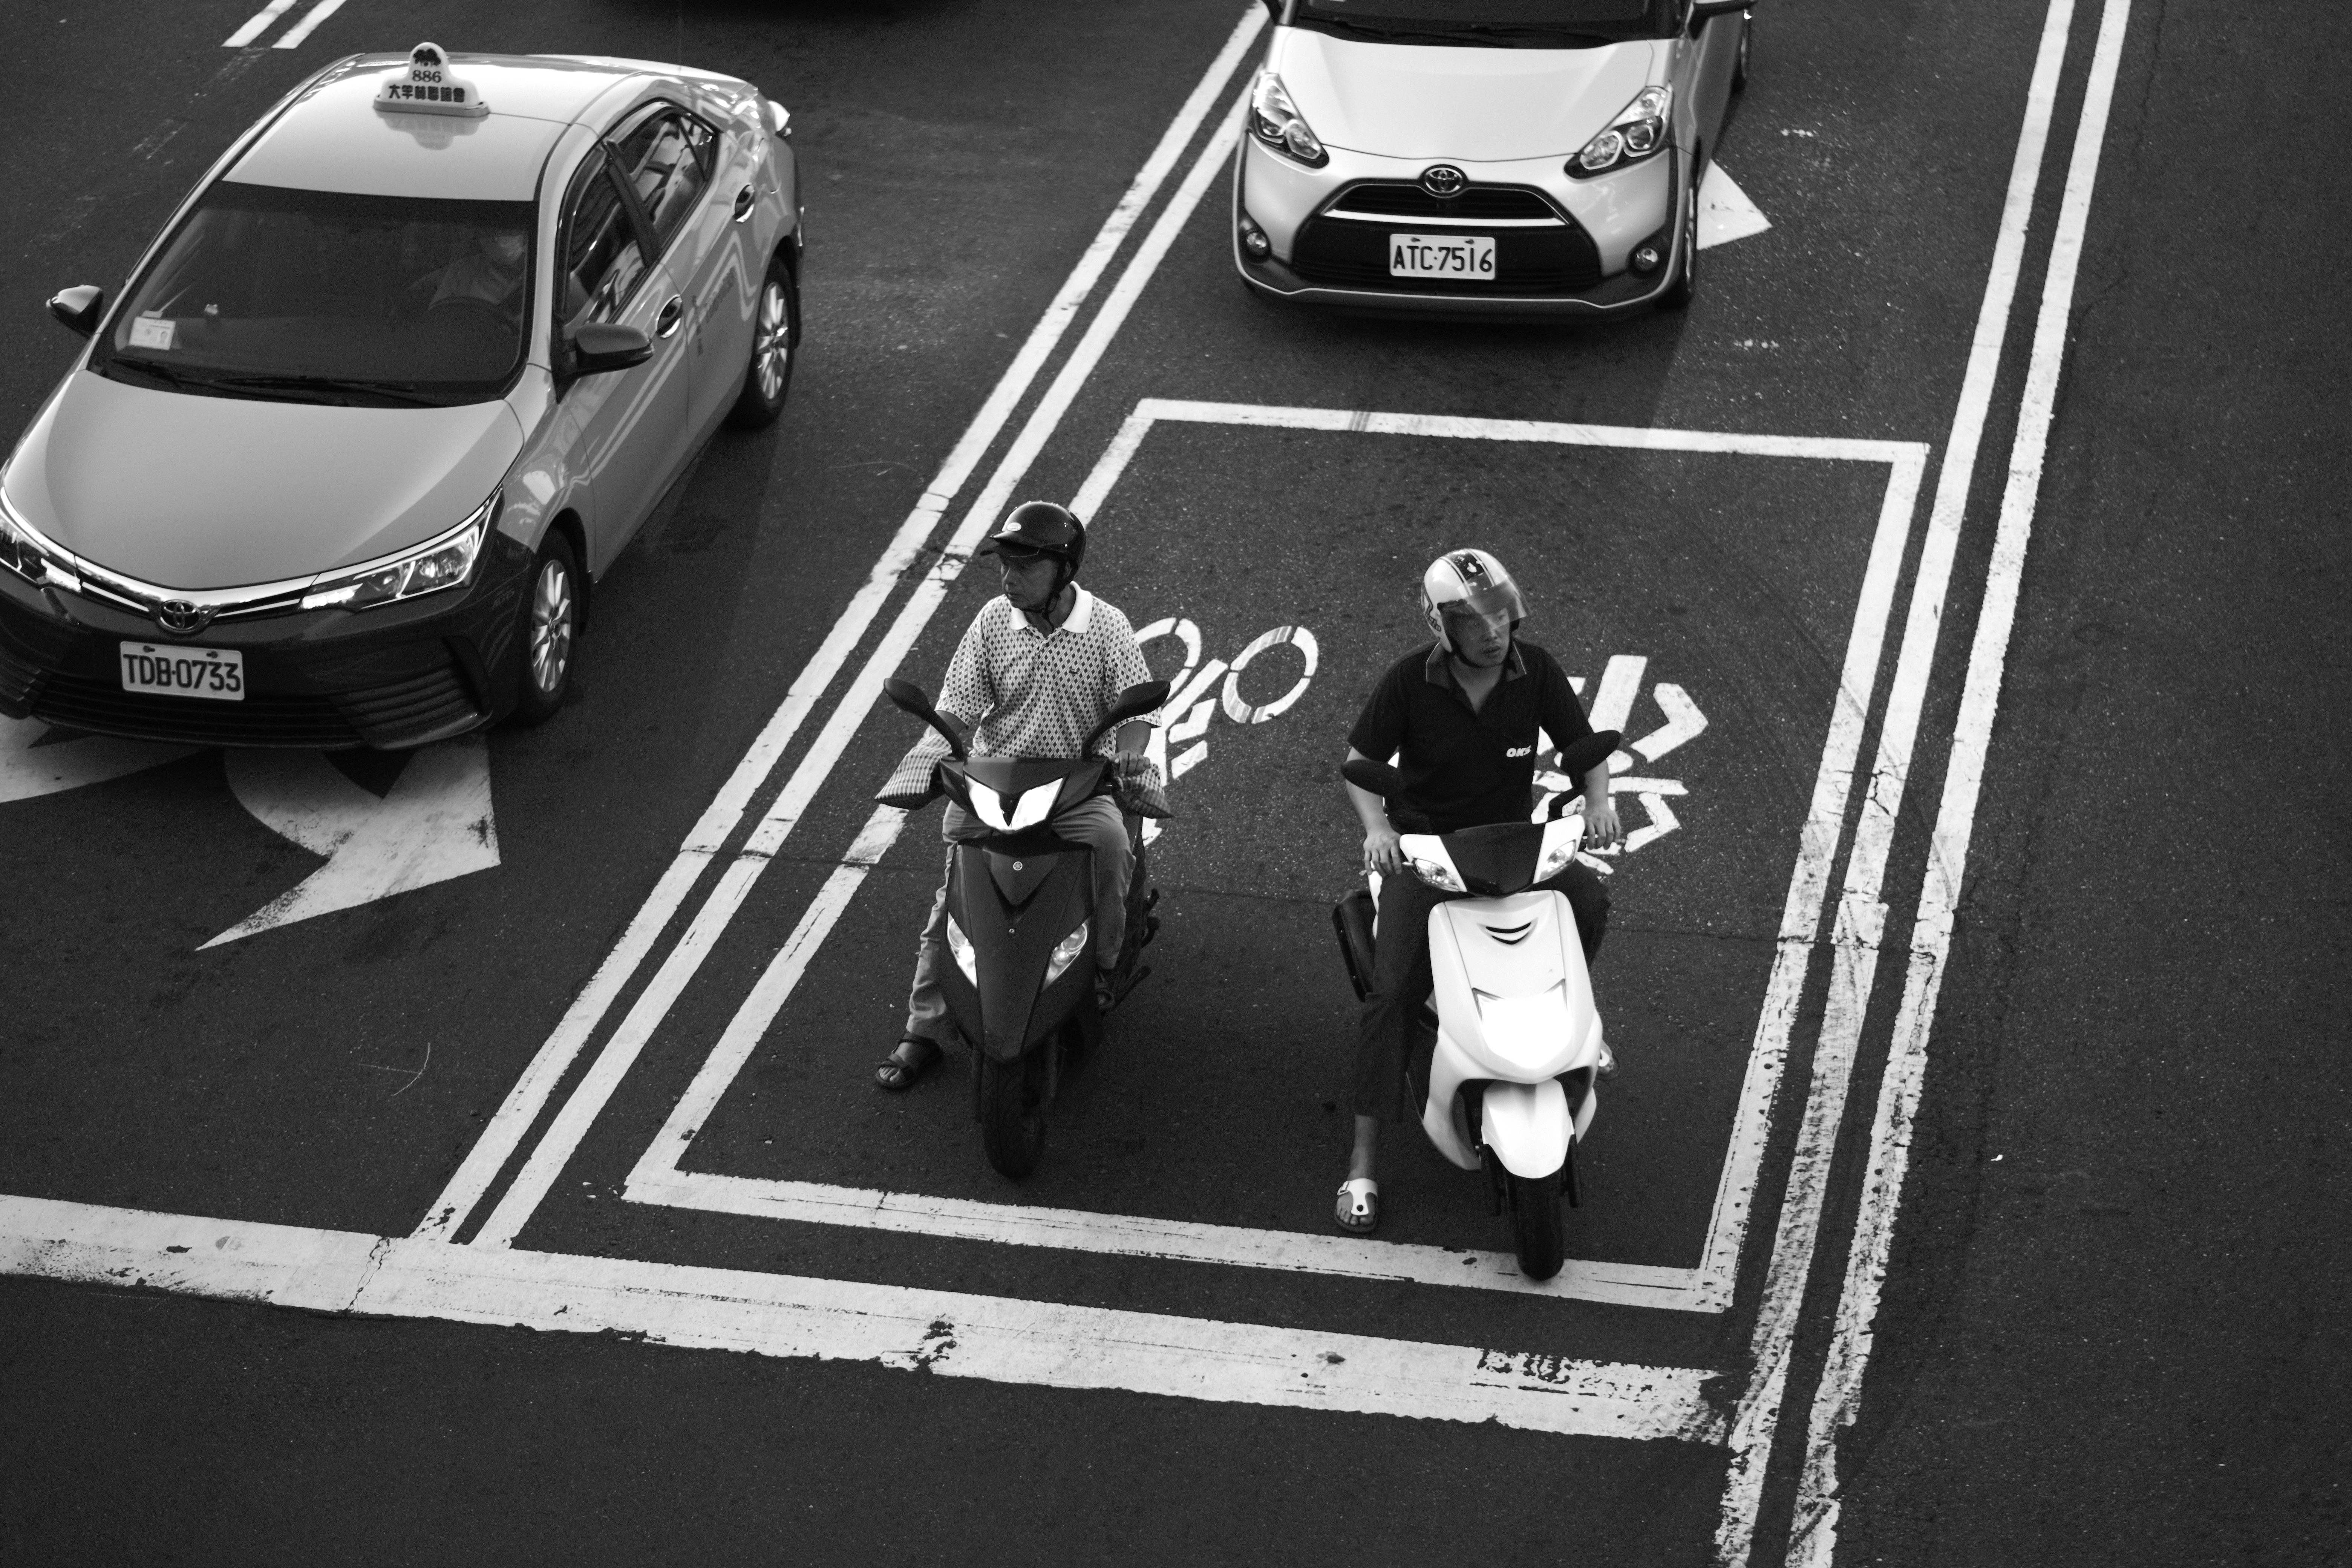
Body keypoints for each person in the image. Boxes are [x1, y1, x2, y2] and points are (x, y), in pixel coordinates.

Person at [1333, 549, 1622, 1234]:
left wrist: (1599, 802)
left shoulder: (1538, 669)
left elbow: (1583, 747)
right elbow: (1359, 765)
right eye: (1474, 621)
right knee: (1394, 992)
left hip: (1511, 846)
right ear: (1443, 627)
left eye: (1500, 614)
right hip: (1429, 853)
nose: (1493, 632)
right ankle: (1363, 1160)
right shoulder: (1409, 681)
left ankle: (1579, 1026)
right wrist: (1378, 828)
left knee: (1589, 902)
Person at [876, 501, 1159, 1090]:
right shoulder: (991, 623)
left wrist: (1129, 754)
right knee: (952, 902)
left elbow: (1138, 707)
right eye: (1005, 566)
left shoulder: (1107, 626)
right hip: (994, 785)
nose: (1009, 579)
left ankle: (1103, 966)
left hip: (1079, 785)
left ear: (1063, 571)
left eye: (1024, 568)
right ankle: (922, 1029)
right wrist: (931, 753)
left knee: (1111, 846)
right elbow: (956, 702)